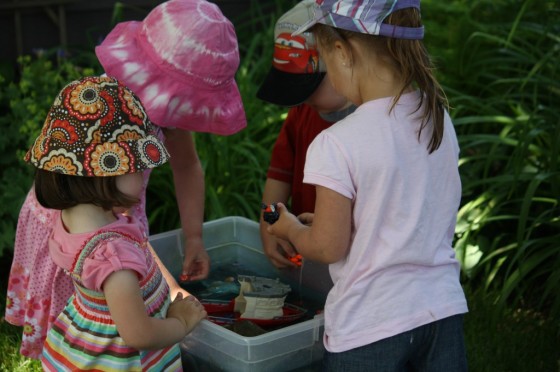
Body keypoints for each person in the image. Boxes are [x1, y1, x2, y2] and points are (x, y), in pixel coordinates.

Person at [5, 0, 245, 359]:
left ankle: (93, 356)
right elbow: (109, 243)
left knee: (116, 302)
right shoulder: (101, 106)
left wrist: (194, 237)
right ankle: (84, 355)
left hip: (113, 206)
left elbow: (187, 166)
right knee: (93, 309)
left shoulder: (167, 117)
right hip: (73, 212)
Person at [266, 0, 469, 370]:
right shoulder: (436, 116)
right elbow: (406, 209)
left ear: (342, 53)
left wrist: (291, 227)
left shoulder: (336, 142)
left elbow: (327, 247)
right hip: (440, 310)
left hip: (371, 322)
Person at [25, 76, 207, 370]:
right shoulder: (115, 258)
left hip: (84, 344)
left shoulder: (71, 219)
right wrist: (181, 322)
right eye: (138, 166)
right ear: (105, 173)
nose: (145, 173)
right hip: (120, 362)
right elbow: (139, 333)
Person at [257, 0, 355, 268]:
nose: (302, 98)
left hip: (353, 256)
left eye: (308, 86)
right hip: (306, 244)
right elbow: (279, 173)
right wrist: (269, 225)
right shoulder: (302, 112)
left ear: (343, 59)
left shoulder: (367, 124)